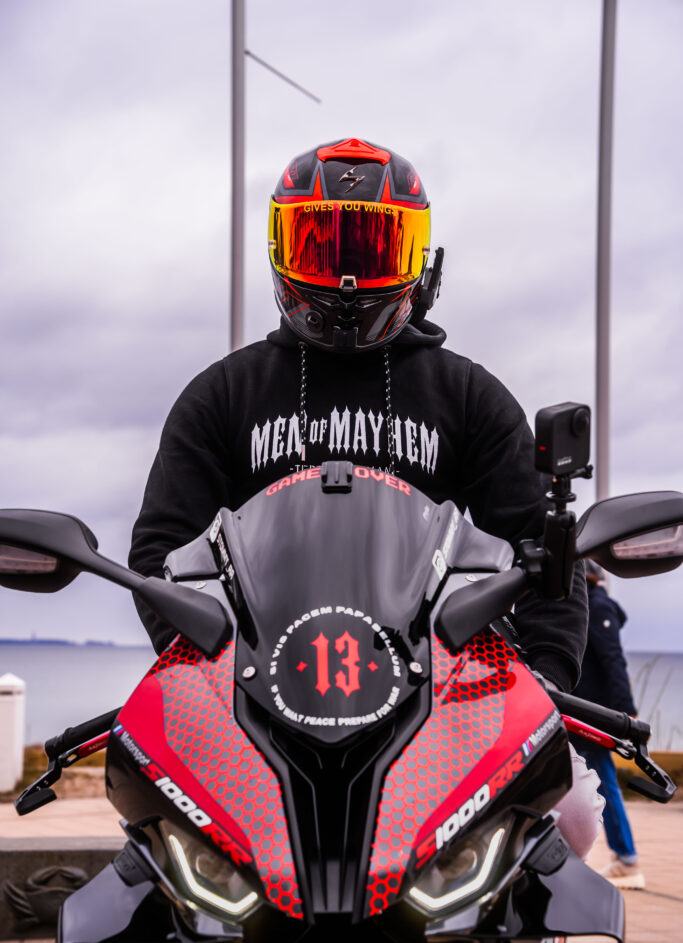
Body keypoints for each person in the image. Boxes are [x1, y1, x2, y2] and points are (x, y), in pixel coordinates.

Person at [129, 136, 601, 857]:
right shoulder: (224, 394)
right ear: (282, 252)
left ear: (418, 259)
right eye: (321, 244)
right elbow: (159, 554)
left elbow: (544, 551)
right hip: (255, 696)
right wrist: (205, 677)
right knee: (157, 833)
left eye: (375, 246)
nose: (348, 275)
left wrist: (543, 681)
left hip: (442, 698)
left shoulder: (466, 394)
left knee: (572, 819)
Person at [573, 561, 645, 888]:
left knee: (603, 782)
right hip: (583, 712)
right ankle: (623, 857)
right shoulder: (588, 606)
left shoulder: (598, 607)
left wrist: (626, 713)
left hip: (594, 714)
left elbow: (614, 660)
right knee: (596, 781)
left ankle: (628, 860)